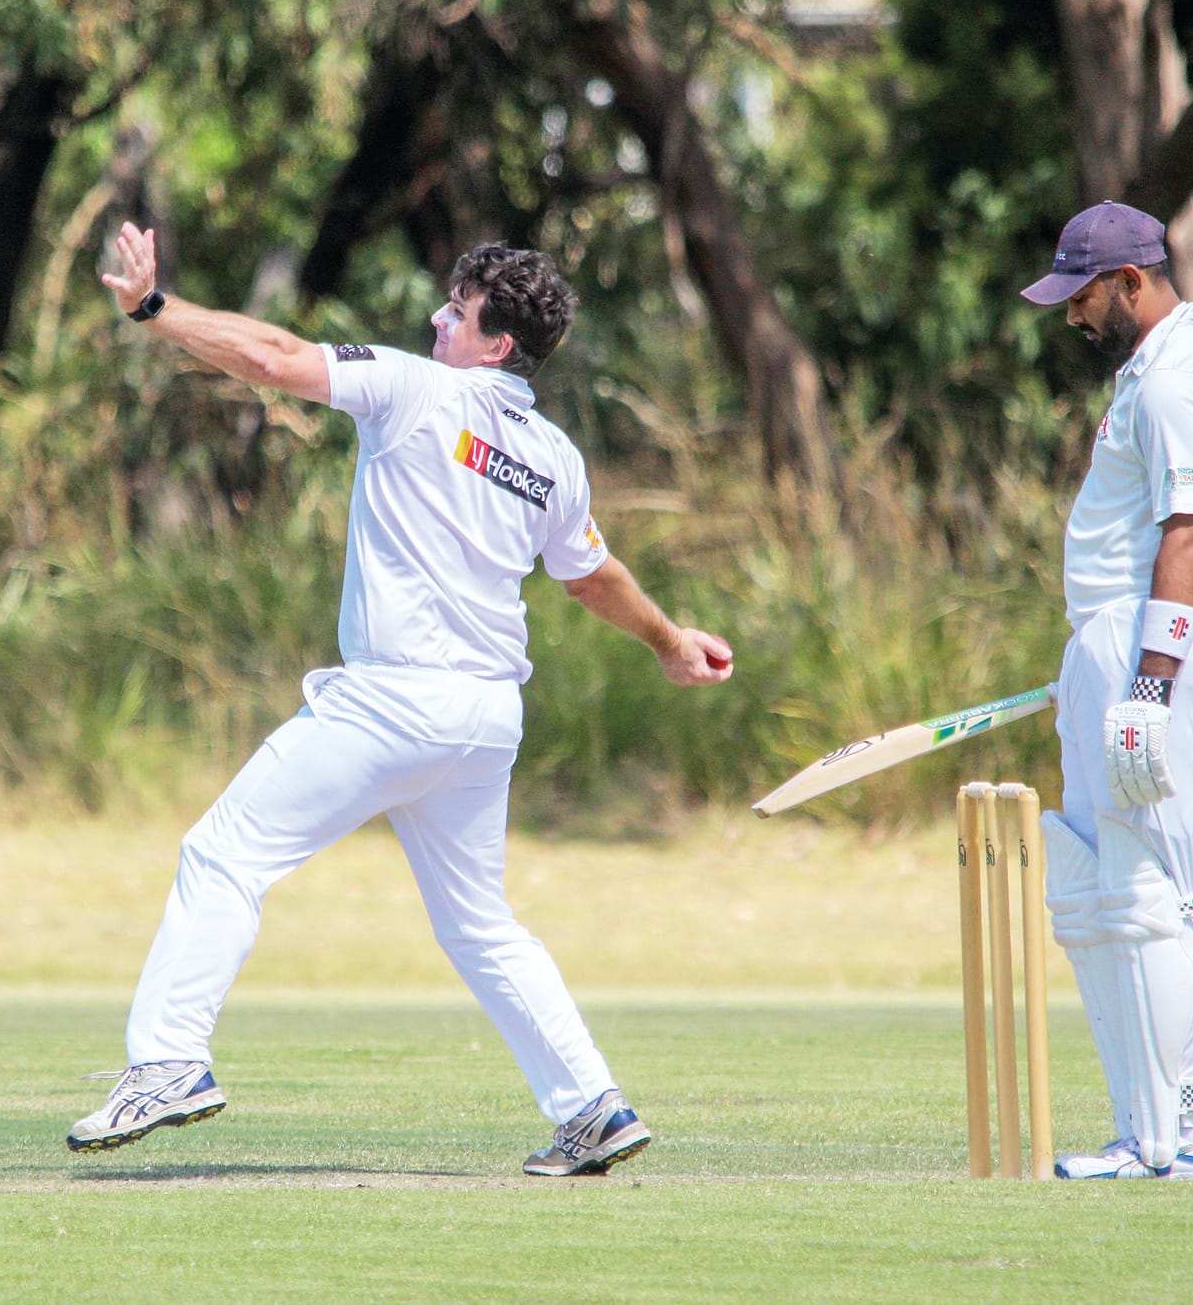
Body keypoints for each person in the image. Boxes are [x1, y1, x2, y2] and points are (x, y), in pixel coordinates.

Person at [67, 223, 733, 1176]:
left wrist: (154, 309)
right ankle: (593, 1107)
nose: (435, 319)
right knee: (479, 925)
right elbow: (591, 576)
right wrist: (670, 643)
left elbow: (275, 358)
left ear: (498, 344)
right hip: (484, 721)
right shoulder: (553, 455)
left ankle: (168, 1060)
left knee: (223, 852)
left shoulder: (416, 389)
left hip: (395, 703)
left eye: (457, 312)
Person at [1020, 201, 1193, 1180]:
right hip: (1123, 641)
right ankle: (1155, 1131)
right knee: (1115, 896)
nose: (1073, 315)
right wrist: (1101, 663)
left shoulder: (1174, 381)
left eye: (1082, 296)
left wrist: (1148, 682)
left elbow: (1191, 534)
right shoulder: (1159, 372)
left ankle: (1178, 1139)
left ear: (1130, 282)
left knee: (1157, 898)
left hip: (1147, 647)